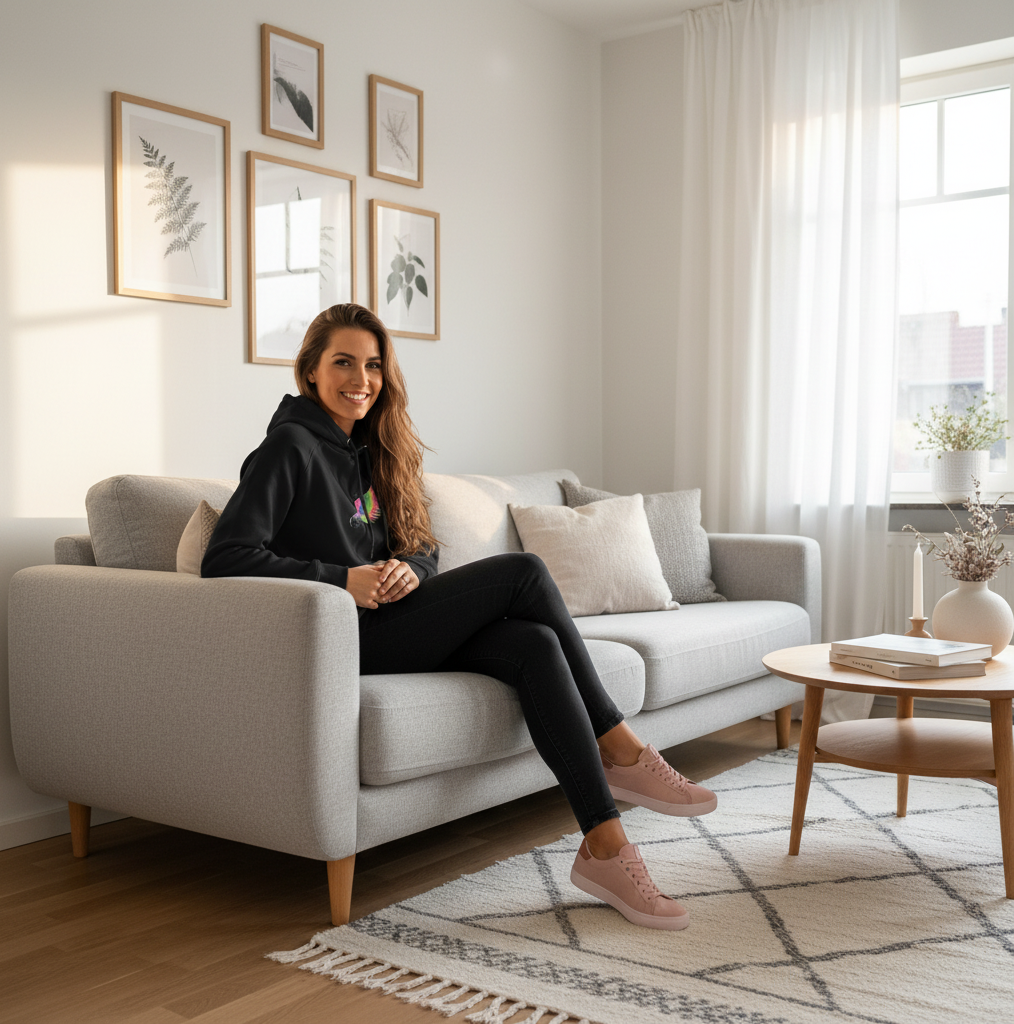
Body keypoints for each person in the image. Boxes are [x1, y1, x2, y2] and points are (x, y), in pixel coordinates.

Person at [202, 303, 717, 930]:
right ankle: (620, 745)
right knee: (524, 573)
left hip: (396, 621)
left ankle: (605, 849)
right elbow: (224, 557)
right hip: (348, 637)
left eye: (373, 365)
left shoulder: (369, 447)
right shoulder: (288, 448)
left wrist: (411, 569)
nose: (360, 380)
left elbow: (422, 545)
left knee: (533, 644)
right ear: (310, 370)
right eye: (343, 363)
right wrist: (342, 579)